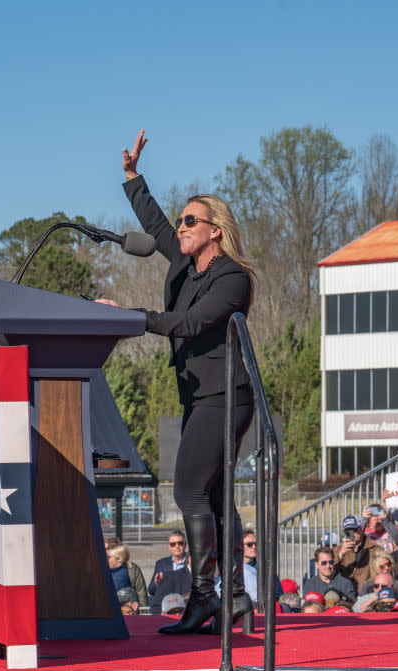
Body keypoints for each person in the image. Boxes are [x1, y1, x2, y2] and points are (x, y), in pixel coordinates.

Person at [103, 131, 257, 635]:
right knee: (212, 499)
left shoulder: (232, 278)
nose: (180, 227)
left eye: (190, 220)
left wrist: (132, 317)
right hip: (199, 397)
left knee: (190, 490)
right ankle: (234, 598)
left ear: (214, 230)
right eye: (181, 221)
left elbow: (192, 324)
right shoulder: (187, 265)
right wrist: (132, 178)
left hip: (227, 396)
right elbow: (152, 223)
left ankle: (205, 596)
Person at [336, 515, 380, 593]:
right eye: (348, 531)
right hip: (346, 593)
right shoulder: (340, 549)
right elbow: (332, 573)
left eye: (354, 530)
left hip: (366, 593)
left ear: (361, 528)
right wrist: (340, 555)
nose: (351, 534)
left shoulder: (375, 549)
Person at [149, 530, 188, 597]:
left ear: (185, 544)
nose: (177, 546)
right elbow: (151, 590)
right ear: (169, 547)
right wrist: (157, 584)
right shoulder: (161, 564)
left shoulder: (193, 562)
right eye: (173, 544)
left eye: (180, 543)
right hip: (169, 604)